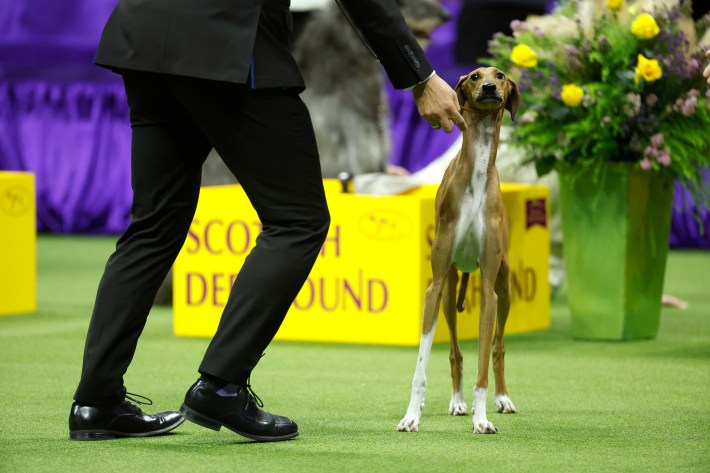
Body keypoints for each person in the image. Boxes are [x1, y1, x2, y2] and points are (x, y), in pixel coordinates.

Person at [68, 0, 466, 442]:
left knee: (152, 226)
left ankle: (96, 402)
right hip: (231, 43)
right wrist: (420, 75)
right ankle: (221, 384)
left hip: (145, 36)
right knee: (298, 220)